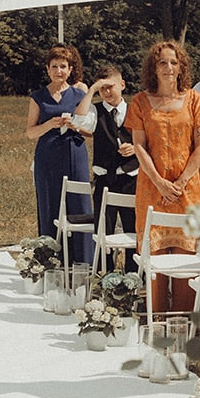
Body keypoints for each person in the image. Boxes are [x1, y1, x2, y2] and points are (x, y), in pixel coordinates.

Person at [125, 40, 200, 309]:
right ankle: (157, 323)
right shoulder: (139, 102)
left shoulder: (196, 101)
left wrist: (181, 181)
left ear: (182, 66)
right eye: (162, 62)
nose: (168, 67)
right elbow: (138, 146)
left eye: (174, 62)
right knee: (155, 264)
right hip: (151, 189)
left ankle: (183, 328)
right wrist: (161, 183)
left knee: (186, 265)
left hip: (188, 192)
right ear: (153, 66)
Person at [25, 44, 91, 260]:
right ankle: (49, 261)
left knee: (79, 204)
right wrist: (50, 125)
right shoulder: (38, 97)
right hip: (48, 155)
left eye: (63, 66)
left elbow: (90, 130)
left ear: (70, 70)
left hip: (74, 152)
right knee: (49, 205)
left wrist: (75, 126)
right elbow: (30, 132)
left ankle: (83, 262)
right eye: (55, 66)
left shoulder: (79, 94)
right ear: (47, 69)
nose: (59, 71)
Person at [73, 66, 137, 257]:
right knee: (104, 230)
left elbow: (150, 142)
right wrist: (91, 90)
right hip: (104, 180)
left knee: (132, 230)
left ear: (122, 85)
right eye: (102, 89)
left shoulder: (135, 110)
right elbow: (77, 122)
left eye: (110, 87)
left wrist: (134, 148)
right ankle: (104, 275)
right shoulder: (95, 110)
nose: (107, 92)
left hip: (131, 178)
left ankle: (133, 276)